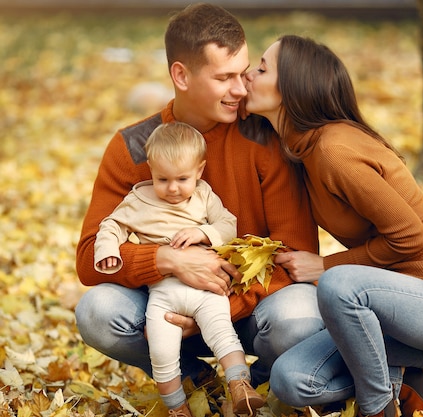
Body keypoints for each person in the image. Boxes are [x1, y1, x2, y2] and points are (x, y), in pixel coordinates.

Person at [74, 3, 323, 407]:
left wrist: (215, 305)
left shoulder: (264, 136)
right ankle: (195, 380)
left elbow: (294, 251)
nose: (241, 90)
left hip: (251, 308)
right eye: (224, 78)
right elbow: (89, 257)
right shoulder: (133, 148)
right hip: (165, 310)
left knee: (302, 318)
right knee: (97, 312)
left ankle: (253, 385)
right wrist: (168, 262)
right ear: (181, 75)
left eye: (243, 74)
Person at [242, 35, 423, 417]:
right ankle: (415, 380)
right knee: (291, 379)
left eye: (261, 68)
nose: (248, 74)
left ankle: (377, 409)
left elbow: (411, 236)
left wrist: (325, 266)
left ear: (294, 86)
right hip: (392, 319)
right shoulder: (302, 152)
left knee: (340, 284)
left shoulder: (333, 151)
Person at [94, 121, 264, 416]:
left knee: (222, 332)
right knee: (161, 350)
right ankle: (177, 408)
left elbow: (228, 225)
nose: (173, 188)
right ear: (150, 169)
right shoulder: (138, 201)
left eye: (182, 179)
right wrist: (108, 250)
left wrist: (204, 234)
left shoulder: (204, 195)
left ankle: (241, 388)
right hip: (164, 294)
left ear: (199, 170)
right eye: (163, 179)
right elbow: (112, 225)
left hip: (207, 288)